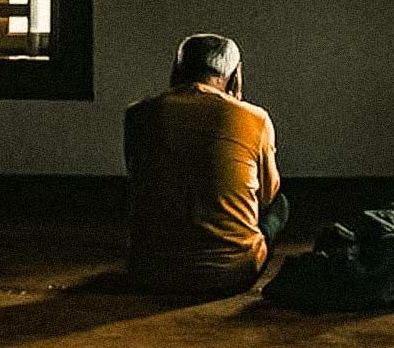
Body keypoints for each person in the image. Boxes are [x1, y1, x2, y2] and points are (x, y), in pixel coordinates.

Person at [123, 34, 288, 296]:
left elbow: (137, 175)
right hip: (230, 275)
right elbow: (267, 194)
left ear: (178, 70)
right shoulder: (254, 118)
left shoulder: (138, 113)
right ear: (235, 75)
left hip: (148, 272)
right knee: (280, 206)